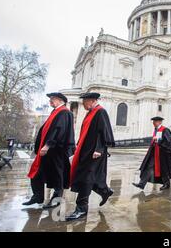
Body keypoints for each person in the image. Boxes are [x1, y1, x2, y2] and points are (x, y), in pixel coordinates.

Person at [65, 93, 115, 221]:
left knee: (86, 179)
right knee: (87, 177)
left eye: (85, 102)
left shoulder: (100, 112)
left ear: (92, 101)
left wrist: (99, 149)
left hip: (95, 153)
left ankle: (81, 209)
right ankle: (104, 191)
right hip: (86, 152)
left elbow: (103, 131)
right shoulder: (91, 112)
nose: (83, 105)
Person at [23, 93, 75, 208]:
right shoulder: (55, 112)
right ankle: (38, 196)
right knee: (36, 173)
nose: (50, 101)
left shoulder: (65, 112)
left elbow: (59, 130)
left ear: (60, 100)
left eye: (53, 99)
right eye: (50, 99)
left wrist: (47, 145)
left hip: (57, 151)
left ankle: (57, 199)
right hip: (48, 151)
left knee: (57, 175)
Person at [134, 117, 171, 191]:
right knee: (148, 167)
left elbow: (168, 142)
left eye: (155, 121)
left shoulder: (165, 130)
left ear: (160, 122)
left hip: (163, 154)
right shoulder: (156, 130)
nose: (153, 123)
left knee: (164, 169)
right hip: (155, 153)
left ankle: (166, 184)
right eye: (153, 121)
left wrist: (158, 141)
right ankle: (141, 184)